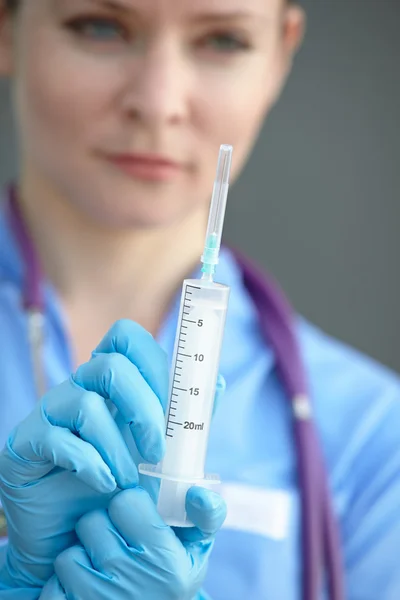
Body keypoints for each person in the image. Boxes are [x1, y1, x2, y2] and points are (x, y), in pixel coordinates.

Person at [0, 0, 399, 599]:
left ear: (280, 54)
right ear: (6, 25)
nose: (158, 102)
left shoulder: (371, 438)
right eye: (100, 26)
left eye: (222, 40)